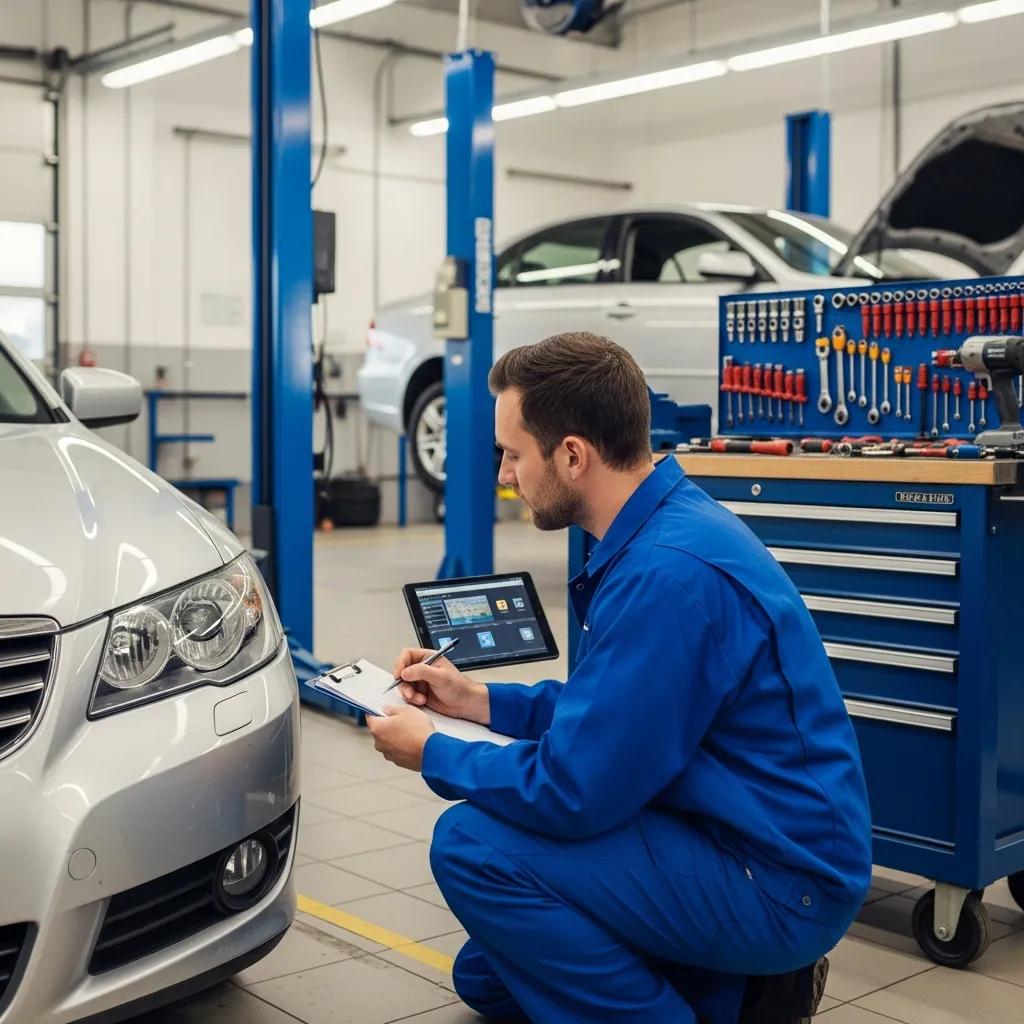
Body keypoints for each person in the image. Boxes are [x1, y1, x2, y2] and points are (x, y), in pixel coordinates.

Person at [366, 331, 872, 1024]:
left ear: (573, 455)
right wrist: (478, 701)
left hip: (778, 881)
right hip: (729, 829)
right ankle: (738, 994)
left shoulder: (667, 576)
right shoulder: (666, 526)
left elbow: (573, 791)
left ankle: (742, 980)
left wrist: (433, 750)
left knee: (472, 849)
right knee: (486, 975)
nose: (506, 476)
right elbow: (615, 714)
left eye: (513, 454)